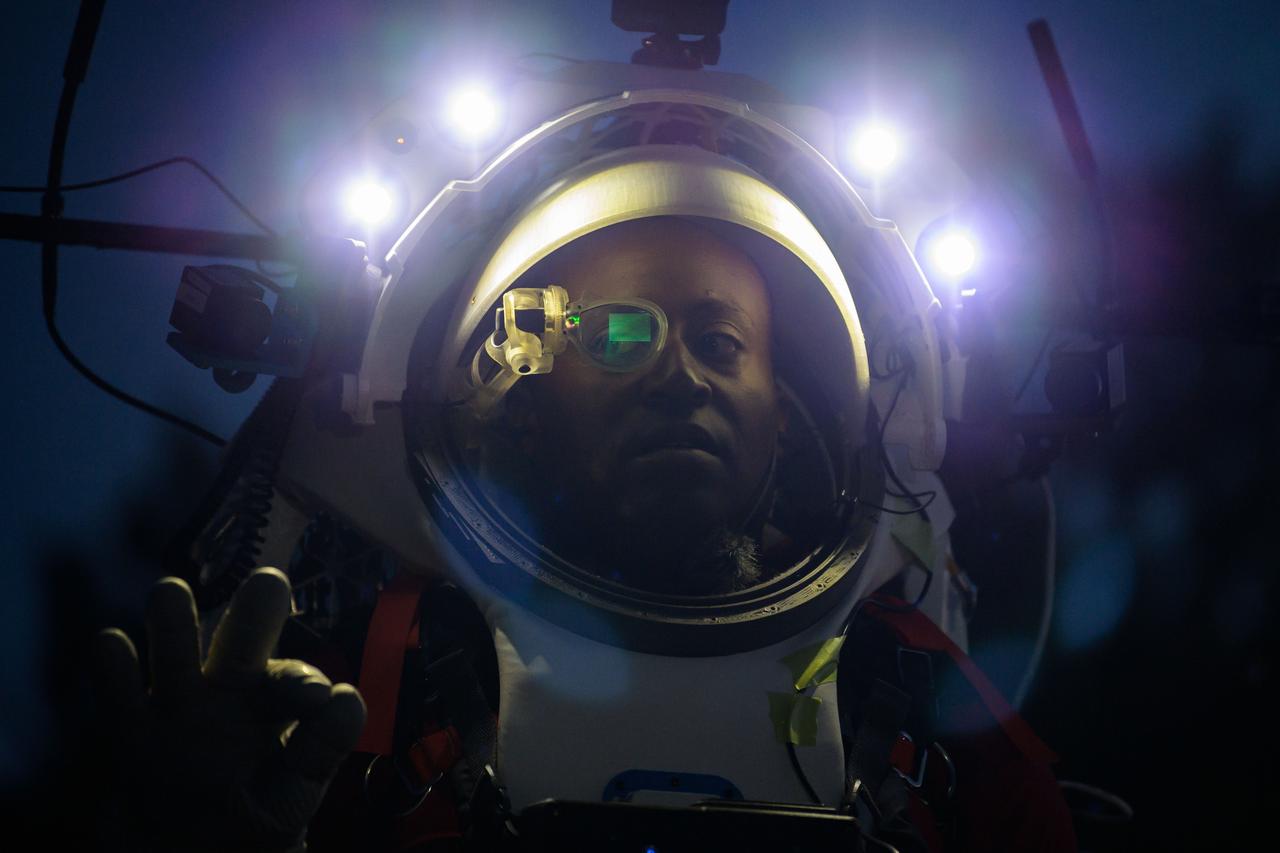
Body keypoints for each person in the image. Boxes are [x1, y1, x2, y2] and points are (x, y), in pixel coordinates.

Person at [92, 103, 1075, 852]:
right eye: (617, 335)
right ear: (529, 397)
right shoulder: (352, 691)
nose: (677, 374)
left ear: (784, 414)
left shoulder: (912, 699)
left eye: (719, 340)